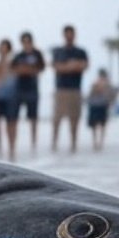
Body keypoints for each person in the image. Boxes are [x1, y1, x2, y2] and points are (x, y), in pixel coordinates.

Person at [49, 24, 88, 153]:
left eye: (71, 33)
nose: (69, 36)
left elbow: (83, 66)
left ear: (74, 35)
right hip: (61, 89)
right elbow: (56, 67)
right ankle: (54, 144)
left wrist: (67, 66)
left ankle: (73, 145)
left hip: (75, 90)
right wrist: (71, 66)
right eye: (67, 33)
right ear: (64, 35)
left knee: (74, 118)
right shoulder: (58, 51)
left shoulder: (80, 52)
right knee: (57, 119)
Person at [10, 31, 44, 151]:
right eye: (24, 42)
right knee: (14, 117)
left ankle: (33, 144)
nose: (26, 44)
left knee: (33, 118)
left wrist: (26, 69)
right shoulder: (18, 55)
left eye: (28, 41)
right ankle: (12, 145)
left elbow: (40, 68)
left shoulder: (37, 54)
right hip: (19, 89)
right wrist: (26, 69)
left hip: (32, 89)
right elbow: (14, 69)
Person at [85, 68, 113, 151]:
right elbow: (90, 95)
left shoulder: (107, 84)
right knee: (95, 126)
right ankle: (96, 143)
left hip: (101, 106)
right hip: (95, 106)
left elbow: (110, 96)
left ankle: (99, 143)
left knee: (101, 125)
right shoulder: (95, 83)